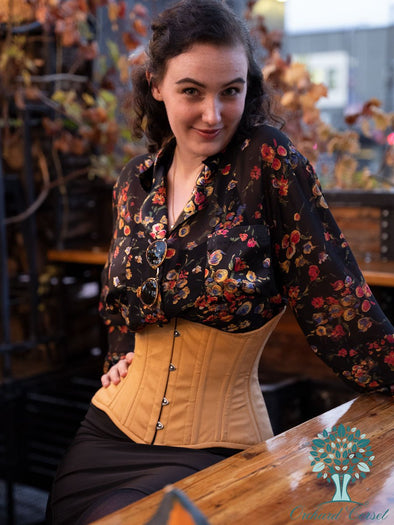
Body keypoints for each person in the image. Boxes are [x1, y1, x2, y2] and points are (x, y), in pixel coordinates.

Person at [46, 1, 393, 523]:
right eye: (192, 91)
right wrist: (119, 356)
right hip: (105, 435)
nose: (214, 114)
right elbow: (120, 302)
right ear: (157, 85)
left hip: (213, 449)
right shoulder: (134, 183)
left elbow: (338, 305)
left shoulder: (267, 164)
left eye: (231, 91)